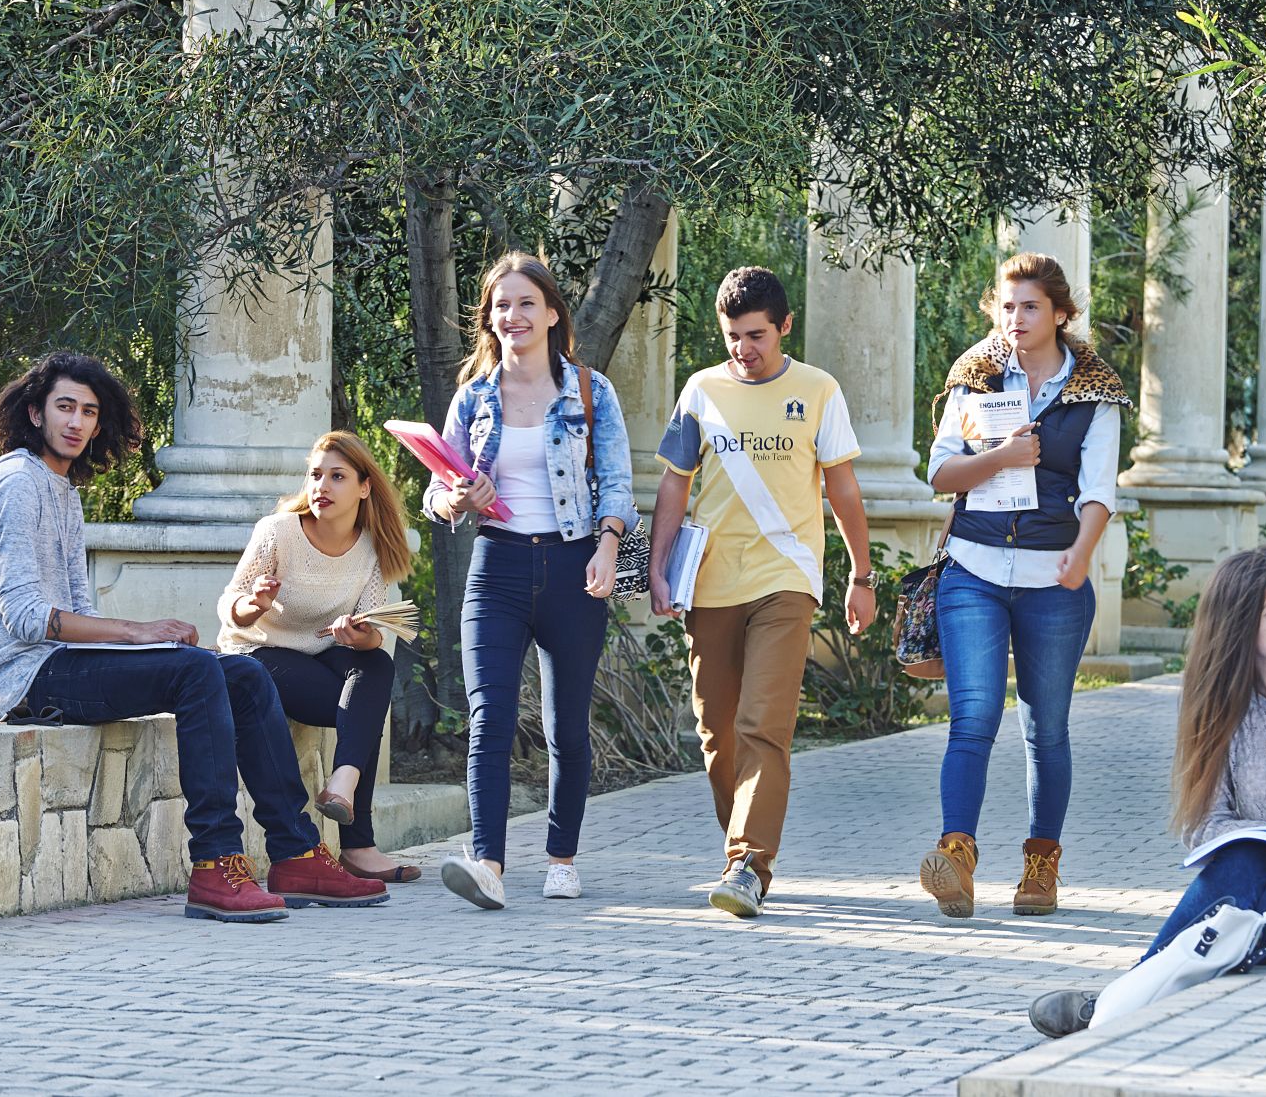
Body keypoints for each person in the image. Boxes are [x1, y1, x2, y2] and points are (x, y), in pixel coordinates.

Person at [0, 352, 388, 921]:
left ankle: (297, 853)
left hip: (61, 661)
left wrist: (152, 646)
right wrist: (137, 631)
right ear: (35, 413)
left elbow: (76, 610)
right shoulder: (17, 483)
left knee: (243, 671)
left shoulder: (60, 490)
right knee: (197, 670)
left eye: (89, 411)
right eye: (65, 407)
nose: (77, 422)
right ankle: (215, 864)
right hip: (23, 678)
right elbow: (24, 615)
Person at [1027, 547, 1266, 1037]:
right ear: (1239, 624)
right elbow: (1205, 826)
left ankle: (1123, 1002)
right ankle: (1133, 998)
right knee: (1242, 865)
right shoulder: (1219, 703)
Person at [648, 265, 876, 918]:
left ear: (784, 327)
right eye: (731, 336)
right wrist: (659, 567)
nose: (742, 350)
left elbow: (843, 489)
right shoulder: (700, 391)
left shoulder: (819, 390)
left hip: (787, 580)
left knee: (763, 726)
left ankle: (749, 862)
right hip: (711, 583)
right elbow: (674, 484)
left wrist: (861, 577)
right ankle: (738, 850)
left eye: (755, 335)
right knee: (718, 735)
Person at [916, 252, 1130, 919]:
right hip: (974, 570)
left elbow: (1098, 493)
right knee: (972, 718)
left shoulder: (1096, 390)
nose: (1016, 318)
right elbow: (941, 473)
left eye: (1030, 306)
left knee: (1047, 729)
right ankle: (955, 854)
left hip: (1052, 579)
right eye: (1006, 306)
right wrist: (1003, 457)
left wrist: (1080, 556)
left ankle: (1041, 863)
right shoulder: (974, 376)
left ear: (1060, 312)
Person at [424, 254, 637, 910]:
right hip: (498, 567)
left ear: (551, 313)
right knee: (489, 716)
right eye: (499, 305)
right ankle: (487, 862)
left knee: (566, 725)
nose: (510, 316)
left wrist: (608, 546)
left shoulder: (589, 391)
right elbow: (437, 491)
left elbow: (619, 482)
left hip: (576, 567)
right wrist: (459, 497)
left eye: (523, 304)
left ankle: (561, 856)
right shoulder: (476, 396)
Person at [218, 431, 421, 882]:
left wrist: (360, 634)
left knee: (378, 664)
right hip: (257, 651)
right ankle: (359, 843)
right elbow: (230, 604)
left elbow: (372, 640)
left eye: (337, 476)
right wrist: (257, 603)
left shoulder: (374, 546)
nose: (321, 486)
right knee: (362, 712)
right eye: (315, 475)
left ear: (364, 487)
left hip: (326, 652)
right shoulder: (279, 533)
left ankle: (343, 785)